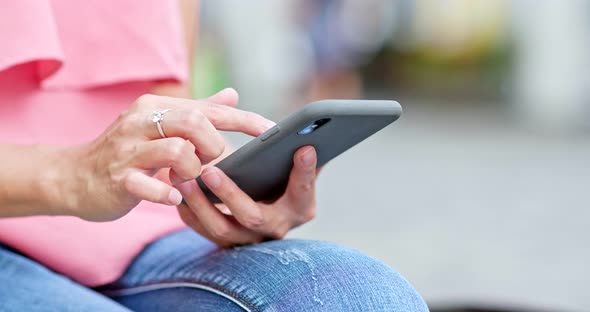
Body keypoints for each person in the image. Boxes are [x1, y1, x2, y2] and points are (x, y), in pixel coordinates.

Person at [0, 1, 428, 311]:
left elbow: (163, 101)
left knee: (360, 296)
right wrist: (73, 176)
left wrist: (220, 184)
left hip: (147, 229)